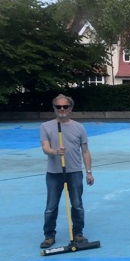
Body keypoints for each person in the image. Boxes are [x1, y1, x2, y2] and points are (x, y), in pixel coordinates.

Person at [39, 94, 95, 248]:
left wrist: (89, 172)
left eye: (65, 106)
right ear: (54, 108)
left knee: (77, 204)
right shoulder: (46, 126)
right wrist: (55, 152)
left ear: (70, 108)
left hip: (74, 171)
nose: (62, 109)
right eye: (58, 107)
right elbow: (45, 147)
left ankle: (78, 233)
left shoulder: (79, 127)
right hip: (54, 172)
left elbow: (85, 151)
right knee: (51, 206)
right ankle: (49, 236)